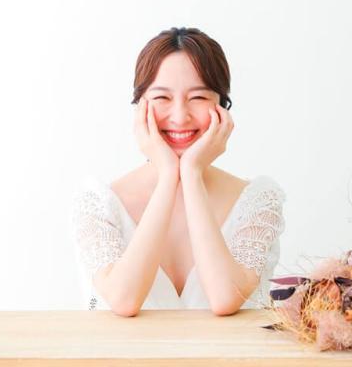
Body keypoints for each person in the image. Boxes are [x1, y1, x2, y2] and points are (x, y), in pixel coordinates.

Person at [70, 26, 285, 316]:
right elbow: (124, 300)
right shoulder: (98, 203)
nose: (180, 116)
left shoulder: (258, 200)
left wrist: (192, 174)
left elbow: (225, 299)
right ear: (140, 107)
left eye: (198, 98)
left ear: (222, 107)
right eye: (162, 98)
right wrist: (169, 176)